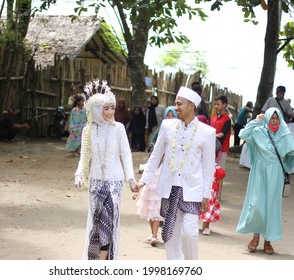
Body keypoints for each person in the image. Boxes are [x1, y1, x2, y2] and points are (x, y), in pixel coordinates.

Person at [135, 86, 216, 260]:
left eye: (179, 104)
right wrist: (144, 180)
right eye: (175, 104)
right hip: (169, 188)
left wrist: (206, 194)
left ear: (192, 105)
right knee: (170, 233)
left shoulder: (207, 133)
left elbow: (208, 167)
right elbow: (156, 156)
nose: (176, 107)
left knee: (190, 233)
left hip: (191, 190)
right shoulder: (167, 126)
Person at [74, 80, 136, 260]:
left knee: (108, 222)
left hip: (114, 183)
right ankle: (94, 260)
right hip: (95, 183)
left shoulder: (119, 129)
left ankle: (105, 261)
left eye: (112, 108)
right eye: (106, 108)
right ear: (95, 109)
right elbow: (84, 157)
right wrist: (79, 174)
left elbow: (126, 155)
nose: (110, 112)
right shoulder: (88, 130)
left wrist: (131, 179)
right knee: (97, 222)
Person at [236, 107, 294, 255]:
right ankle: (255, 237)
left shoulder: (285, 134)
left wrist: (285, 165)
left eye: (277, 118)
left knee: (271, 205)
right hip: (258, 173)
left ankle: (268, 241)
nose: (275, 121)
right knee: (257, 205)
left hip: (276, 173)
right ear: (267, 118)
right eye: (272, 118)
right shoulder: (258, 132)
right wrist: (256, 121)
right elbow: (243, 134)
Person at [132, 106, 177, 247]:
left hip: (171, 173)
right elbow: (154, 148)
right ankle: (154, 234)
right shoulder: (162, 130)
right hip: (157, 171)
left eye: (172, 115)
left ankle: (166, 234)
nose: (169, 118)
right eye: (167, 116)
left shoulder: (181, 132)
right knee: (154, 204)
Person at [199, 140, 226, 235]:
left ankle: (206, 226)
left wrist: (219, 193)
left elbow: (220, 181)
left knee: (209, 208)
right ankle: (194, 225)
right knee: (197, 207)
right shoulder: (200, 167)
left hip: (212, 192)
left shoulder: (217, 168)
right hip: (200, 190)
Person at [210, 95, 231, 170]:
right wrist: (215, 136)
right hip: (211, 148)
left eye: (218, 104)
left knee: (219, 174)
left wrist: (213, 137)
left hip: (221, 150)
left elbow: (223, 136)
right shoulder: (213, 117)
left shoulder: (227, 120)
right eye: (215, 104)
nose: (215, 106)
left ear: (224, 105)